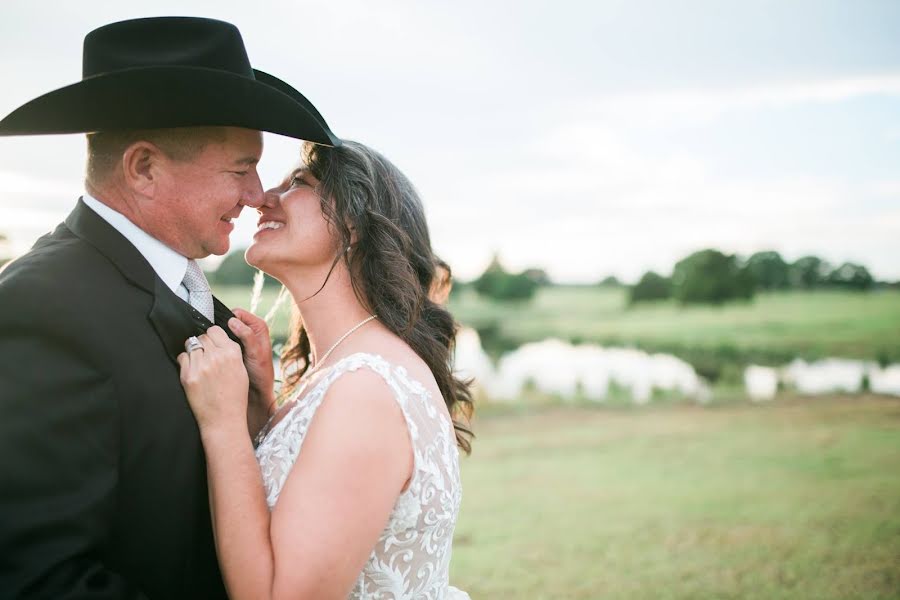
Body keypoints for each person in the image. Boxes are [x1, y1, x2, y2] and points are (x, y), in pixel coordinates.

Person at [0, 17, 338, 598]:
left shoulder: (205, 304)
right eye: (240, 167)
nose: (258, 194)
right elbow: (39, 577)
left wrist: (254, 419)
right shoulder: (40, 308)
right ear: (144, 168)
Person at [177, 140, 474, 598]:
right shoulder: (343, 371)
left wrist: (224, 424)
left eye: (299, 182)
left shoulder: (368, 391)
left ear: (354, 225)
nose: (259, 198)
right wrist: (260, 412)